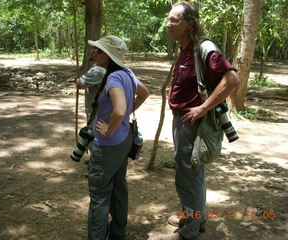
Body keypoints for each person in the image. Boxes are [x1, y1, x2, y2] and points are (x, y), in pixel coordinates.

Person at [150, 2, 240, 240]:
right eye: (168, 20)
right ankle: (195, 220)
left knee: (187, 175)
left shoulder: (204, 47)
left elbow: (232, 80)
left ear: (190, 23)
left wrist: (201, 108)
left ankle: (189, 230)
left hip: (191, 122)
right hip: (183, 121)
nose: (168, 24)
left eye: (174, 20)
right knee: (192, 174)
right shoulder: (185, 47)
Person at [86, 35, 149, 240]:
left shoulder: (113, 78)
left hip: (108, 145)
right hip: (124, 141)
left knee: (100, 196)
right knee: (119, 187)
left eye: (99, 51)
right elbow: (144, 93)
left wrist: (108, 129)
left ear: (109, 56)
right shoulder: (127, 73)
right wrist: (120, 123)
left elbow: (120, 110)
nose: (94, 54)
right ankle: (118, 233)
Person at [76, 49, 106, 125]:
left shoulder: (97, 70)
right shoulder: (121, 70)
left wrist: (78, 80)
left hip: (97, 112)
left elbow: (79, 84)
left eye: (98, 51)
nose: (94, 52)